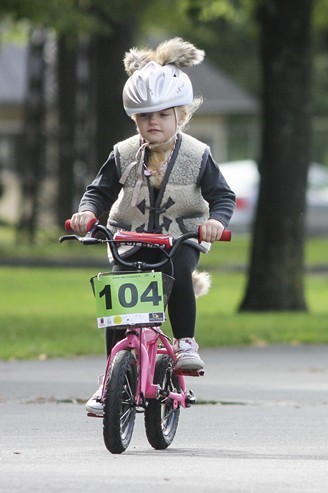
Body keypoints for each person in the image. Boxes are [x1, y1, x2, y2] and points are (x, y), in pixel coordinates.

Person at [69, 38, 235, 415]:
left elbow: (223, 196)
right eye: (144, 117)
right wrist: (87, 214)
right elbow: (99, 191)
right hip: (130, 238)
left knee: (176, 272)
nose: (153, 123)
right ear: (135, 119)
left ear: (181, 115)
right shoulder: (124, 153)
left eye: (162, 114)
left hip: (180, 237)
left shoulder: (197, 155)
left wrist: (214, 222)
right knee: (116, 297)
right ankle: (112, 373)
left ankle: (186, 343)